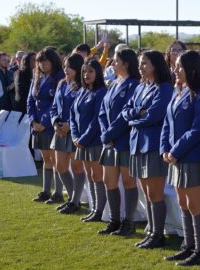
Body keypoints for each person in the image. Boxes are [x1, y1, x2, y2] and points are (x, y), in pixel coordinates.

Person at [162, 50, 200, 266]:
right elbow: (167, 123)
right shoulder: (179, 90)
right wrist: (165, 149)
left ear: (191, 69)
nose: (175, 70)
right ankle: (188, 245)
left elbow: (199, 129)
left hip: (191, 157)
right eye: (175, 66)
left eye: (179, 66)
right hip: (175, 158)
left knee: (195, 205)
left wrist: (174, 151)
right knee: (183, 203)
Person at [122, 50, 174, 249]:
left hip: (152, 144)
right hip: (137, 143)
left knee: (155, 193)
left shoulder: (164, 88)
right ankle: (151, 230)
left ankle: (158, 234)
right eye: (140, 63)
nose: (140, 67)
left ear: (155, 65)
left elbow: (154, 116)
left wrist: (136, 118)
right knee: (146, 192)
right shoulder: (141, 87)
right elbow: (126, 112)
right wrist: (138, 114)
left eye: (144, 63)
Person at [97, 49, 141, 235]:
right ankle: (114, 220)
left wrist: (110, 134)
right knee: (109, 181)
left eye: (115, 61)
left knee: (129, 181)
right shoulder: (114, 83)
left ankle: (128, 222)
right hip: (109, 141)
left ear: (126, 63)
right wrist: (105, 134)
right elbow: (102, 111)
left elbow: (125, 115)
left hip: (124, 140)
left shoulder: (134, 85)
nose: (112, 64)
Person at [70, 58, 107, 221]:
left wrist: (83, 139)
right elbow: (72, 115)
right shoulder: (81, 91)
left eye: (90, 71)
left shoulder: (101, 92)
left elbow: (97, 120)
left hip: (94, 141)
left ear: (98, 73)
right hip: (81, 141)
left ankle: (100, 210)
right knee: (90, 175)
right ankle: (94, 208)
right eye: (84, 71)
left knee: (97, 176)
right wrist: (75, 136)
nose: (86, 74)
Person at [30, 48, 65, 203]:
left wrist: (44, 122)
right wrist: (33, 121)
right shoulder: (37, 77)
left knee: (55, 158)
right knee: (46, 158)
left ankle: (58, 192)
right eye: (40, 61)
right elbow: (30, 100)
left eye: (45, 61)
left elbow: (55, 103)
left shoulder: (59, 77)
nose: (42, 64)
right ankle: (45, 190)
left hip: (51, 125)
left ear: (53, 61)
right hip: (37, 124)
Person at [51, 54, 85, 214]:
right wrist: (55, 122)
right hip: (59, 131)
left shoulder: (82, 86)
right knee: (60, 166)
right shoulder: (61, 84)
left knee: (77, 167)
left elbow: (81, 110)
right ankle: (72, 198)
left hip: (74, 130)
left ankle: (75, 201)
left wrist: (69, 125)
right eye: (65, 66)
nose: (66, 70)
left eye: (69, 67)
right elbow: (54, 107)